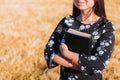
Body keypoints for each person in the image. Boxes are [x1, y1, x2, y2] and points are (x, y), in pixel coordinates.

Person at [44, 0, 115, 80]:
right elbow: (48, 51)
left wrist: (67, 54)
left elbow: (100, 63)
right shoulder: (67, 21)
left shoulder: (105, 27)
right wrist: (77, 65)